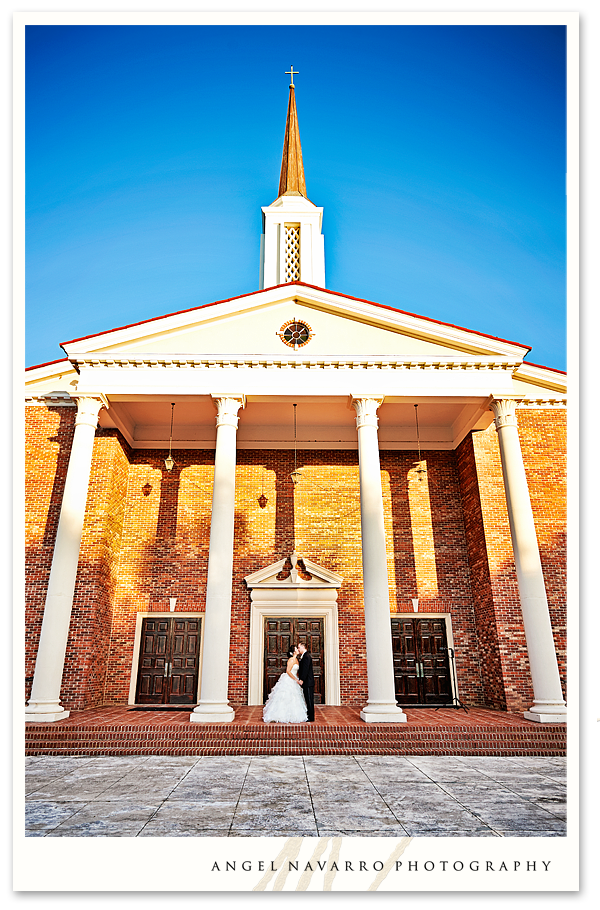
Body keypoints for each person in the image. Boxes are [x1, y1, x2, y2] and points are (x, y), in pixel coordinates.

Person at [262, 647, 308, 723]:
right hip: (290, 679)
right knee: (285, 697)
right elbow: (288, 671)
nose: (298, 650)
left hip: (295, 679)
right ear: (293, 652)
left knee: (294, 698)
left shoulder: (296, 660)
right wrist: (296, 679)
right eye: (296, 649)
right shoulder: (291, 660)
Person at [297, 642, 315, 722]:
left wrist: (302, 679)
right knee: (307, 699)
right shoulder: (304, 656)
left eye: (299, 647)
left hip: (308, 682)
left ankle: (311, 717)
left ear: (303, 647)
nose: (298, 649)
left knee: (309, 699)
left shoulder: (306, 657)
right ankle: (309, 715)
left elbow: (305, 669)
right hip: (307, 682)